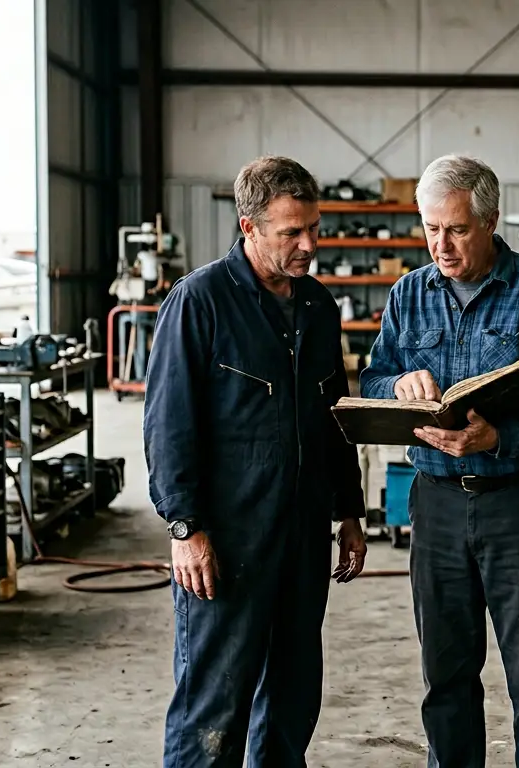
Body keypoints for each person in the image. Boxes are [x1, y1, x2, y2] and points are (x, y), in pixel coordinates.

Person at [360, 154, 519, 767]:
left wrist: (499, 440)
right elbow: (375, 376)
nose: (442, 244)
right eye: (431, 229)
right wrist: (398, 388)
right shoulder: (409, 294)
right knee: (446, 676)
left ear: (490, 221)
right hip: (435, 505)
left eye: (457, 229)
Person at [143, 155, 369, 768]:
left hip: (301, 535)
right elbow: (168, 427)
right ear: (248, 227)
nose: (309, 245)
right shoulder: (200, 302)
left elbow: (334, 418)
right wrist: (186, 529)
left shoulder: (320, 308)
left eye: (314, 229)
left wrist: (349, 510)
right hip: (229, 540)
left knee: (293, 694)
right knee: (215, 700)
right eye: (290, 232)